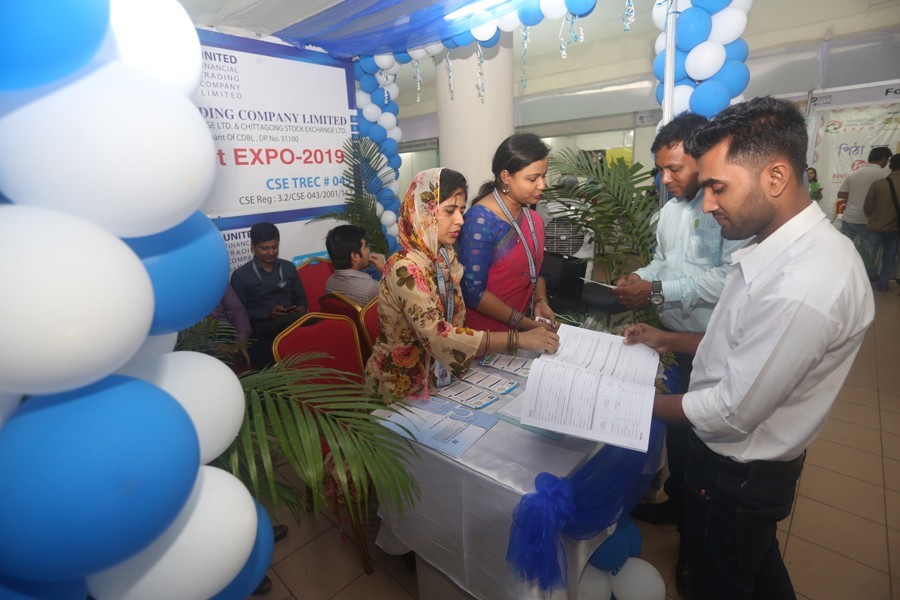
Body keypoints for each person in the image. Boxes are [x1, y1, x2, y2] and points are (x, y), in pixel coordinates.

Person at [625, 96, 874, 600]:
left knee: (722, 582)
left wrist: (629, 403)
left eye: (718, 187)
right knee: (756, 565)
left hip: (740, 473)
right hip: (740, 466)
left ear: (776, 177)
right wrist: (667, 337)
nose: (707, 202)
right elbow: (734, 343)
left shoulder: (805, 282)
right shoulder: (776, 247)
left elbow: (731, 410)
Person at [612, 114, 750, 547]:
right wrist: (639, 277)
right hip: (674, 341)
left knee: (710, 445)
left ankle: (699, 535)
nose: (666, 178)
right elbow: (662, 262)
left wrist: (656, 288)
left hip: (713, 345)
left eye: (676, 168)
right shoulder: (670, 210)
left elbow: (729, 278)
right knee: (682, 439)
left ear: (703, 160)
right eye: (661, 170)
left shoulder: (727, 210)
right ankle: (678, 503)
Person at [364, 168, 559, 404]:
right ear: (424, 212)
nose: (460, 220)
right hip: (401, 387)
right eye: (449, 211)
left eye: (462, 210)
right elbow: (437, 335)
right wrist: (517, 339)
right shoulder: (404, 267)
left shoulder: (444, 257)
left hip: (439, 377)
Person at [458, 133, 557, 333]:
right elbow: (473, 293)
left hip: (523, 330)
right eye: (533, 178)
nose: (542, 185)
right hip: (485, 336)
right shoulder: (480, 221)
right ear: (506, 177)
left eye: (544, 175)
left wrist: (540, 300)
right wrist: (526, 324)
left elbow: (536, 271)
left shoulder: (534, 220)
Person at [231, 222, 308, 367]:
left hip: (293, 321)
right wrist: (267, 314)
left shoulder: (288, 267)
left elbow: (301, 298)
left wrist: (301, 308)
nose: (271, 252)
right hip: (263, 329)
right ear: (253, 247)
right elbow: (239, 314)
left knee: (307, 319)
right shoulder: (240, 276)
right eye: (265, 248)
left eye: (274, 247)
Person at [837, 146, 892, 279]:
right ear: (883, 158)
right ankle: (863, 278)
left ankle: (839, 275)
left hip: (849, 217)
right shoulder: (885, 175)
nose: (887, 163)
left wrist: (855, 199)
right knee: (866, 253)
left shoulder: (854, 174)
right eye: (887, 159)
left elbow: (841, 193)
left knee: (843, 249)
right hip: (869, 219)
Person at [324, 224, 386, 306]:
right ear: (355, 256)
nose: (368, 250)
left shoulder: (329, 283)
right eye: (365, 247)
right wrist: (385, 271)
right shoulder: (372, 289)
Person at [863, 153, 900, 292]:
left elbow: (867, 207)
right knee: (890, 258)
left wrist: (875, 216)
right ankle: (883, 284)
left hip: (876, 225)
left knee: (868, 256)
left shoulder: (879, 184)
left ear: (890, 166)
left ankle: (863, 285)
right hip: (895, 229)